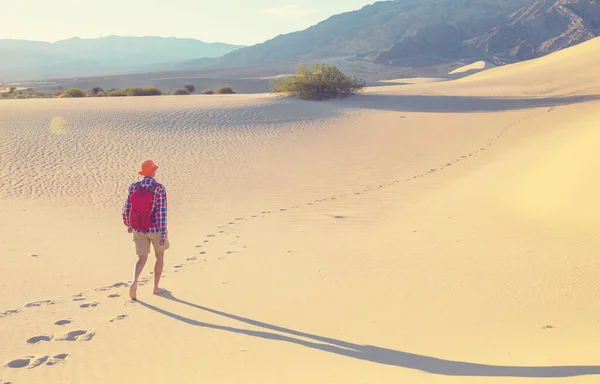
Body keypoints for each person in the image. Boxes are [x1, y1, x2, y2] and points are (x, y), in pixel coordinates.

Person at [122, 160, 169, 300]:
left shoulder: (134, 187)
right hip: (154, 229)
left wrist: (129, 225)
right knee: (159, 256)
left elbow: (127, 208)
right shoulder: (159, 188)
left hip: (139, 228)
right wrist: (163, 233)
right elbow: (161, 212)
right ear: (153, 172)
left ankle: (134, 282)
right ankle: (156, 287)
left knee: (141, 259)